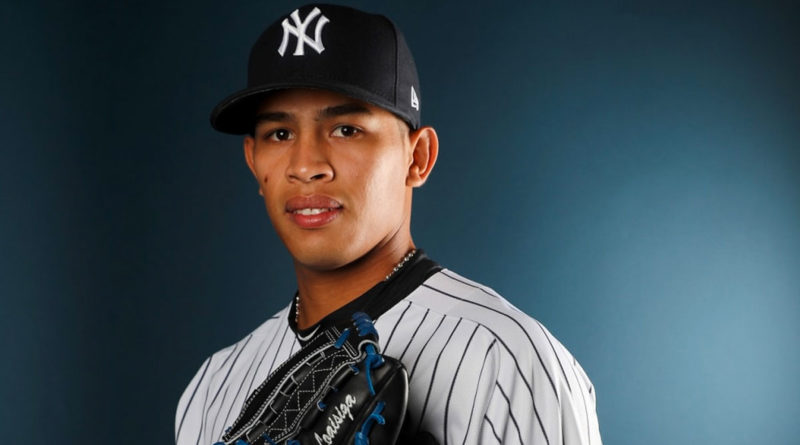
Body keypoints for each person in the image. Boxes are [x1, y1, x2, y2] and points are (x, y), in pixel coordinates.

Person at [175, 4, 602, 444]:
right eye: (280, 135)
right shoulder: (210, 391)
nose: (305, 166)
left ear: (417, 158)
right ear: (253, 162)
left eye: (346, 129)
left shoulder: (507, 362)